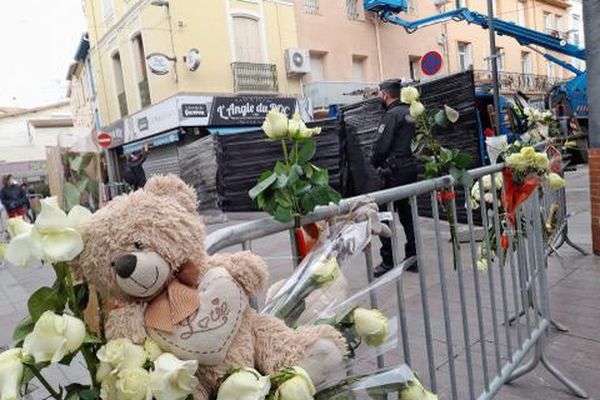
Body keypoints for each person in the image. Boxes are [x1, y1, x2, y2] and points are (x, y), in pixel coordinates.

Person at [371, 79, 419, 277]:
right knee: (407, 215)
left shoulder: (391, 115)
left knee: (384, 214)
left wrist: (373, 162)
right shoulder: (411, 113)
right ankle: (412, 259)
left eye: (379, 94)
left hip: (393, 171)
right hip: (410, 169)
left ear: (385, 94)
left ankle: (388, 260)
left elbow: (382, 145)